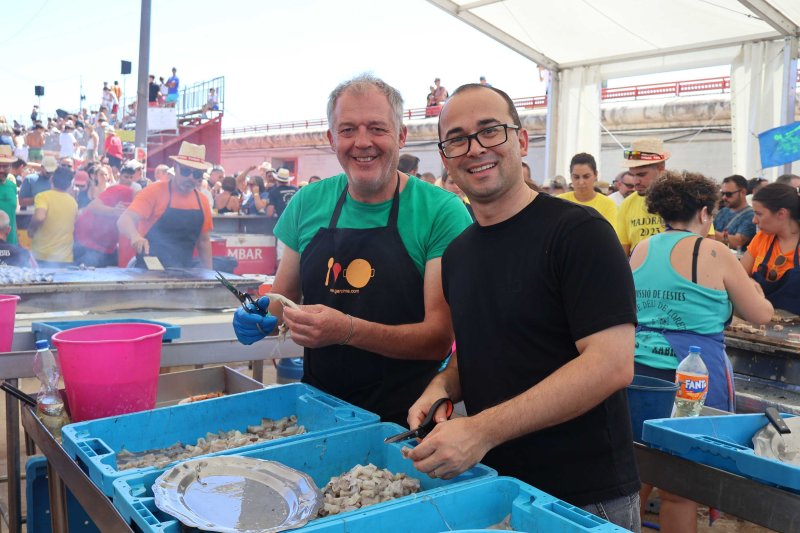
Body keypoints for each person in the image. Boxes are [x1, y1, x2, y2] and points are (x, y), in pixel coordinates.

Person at [404, 83, 640, 532]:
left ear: (521, 140)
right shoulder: (458, 253)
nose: (475, 149)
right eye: (457, 138)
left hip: (583, 498)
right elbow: (482, 344)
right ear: (445, 157)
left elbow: (611, 365)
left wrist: (479, 430)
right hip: (498, 485)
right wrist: (442, 386)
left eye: (490, 131)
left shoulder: (579, 232)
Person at [231, 74, 472, 425]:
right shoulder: (306, 202)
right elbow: (284, 299)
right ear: (331, 139)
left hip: (408, 418)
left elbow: (437, 340)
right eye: (347, 130)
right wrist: (263, 314)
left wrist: (347, 330)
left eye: (377, 128)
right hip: (317, 410)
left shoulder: (440, 211)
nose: (362, 142)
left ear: (401, 136)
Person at [630, 171, 772, 532]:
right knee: (680, 487)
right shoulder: (712, 249)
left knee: (635, 477)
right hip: (690, 379)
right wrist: (754, 290)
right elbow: (759, 315)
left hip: (638, 375)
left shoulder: (643, 248)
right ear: (706, 212)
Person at [117, 141, 214, 268]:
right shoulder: (154, 191)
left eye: (196, 174)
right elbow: (124, 219)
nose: (190, 177)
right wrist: (135, 236)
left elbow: (203, 241)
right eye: (185, 171)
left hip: (184, 271)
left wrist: (209, 275)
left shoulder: (202, 201)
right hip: (150, 268)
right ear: (175, 167)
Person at [740, 183, 800, 315]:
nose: (754, 220)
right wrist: (748, 282)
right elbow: (738, 276)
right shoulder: (762, 238)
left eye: (759, 214)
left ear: (781, 213)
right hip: (760, 321)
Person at [73, 164, 136, 267]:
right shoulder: (120, 189)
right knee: (86, 275)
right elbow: (92, 206)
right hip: (87, 241)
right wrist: (114, 211)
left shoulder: (134, 197)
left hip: (105, 244)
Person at [616, 138, 670, 255]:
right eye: (632, 175)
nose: (635, 181)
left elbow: (706, 242)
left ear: (661, 169)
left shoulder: (685, 198)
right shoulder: (626, 205)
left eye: (641, 174)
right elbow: (622, 253)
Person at [27, 166, 78, 265]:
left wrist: (31, 229)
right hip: (65, 258)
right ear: (69, 184)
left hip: (43, 256)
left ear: (52, 179)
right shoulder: (73, 202)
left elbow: (39, 216)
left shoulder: (43, 196)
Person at [558, 152, 618, 230]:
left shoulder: (608, 204)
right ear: (570, 176)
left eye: (586, 176)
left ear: (596, 175)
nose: (581, 182)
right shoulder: (560, 201)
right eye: (576, 177)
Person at [712, 174, 756, 251]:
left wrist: (708, 231)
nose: (724, 197)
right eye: (723, 193)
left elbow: (737, 242)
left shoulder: (751, 215)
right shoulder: (723, 211)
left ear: (743, 192)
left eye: (729, 194)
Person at [0, 147, 18, 244]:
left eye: (5, 166)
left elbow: (13, 216)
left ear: (10, 167)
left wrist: (18, 243)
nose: (1, 170)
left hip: (11, 245)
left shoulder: (12, 186)